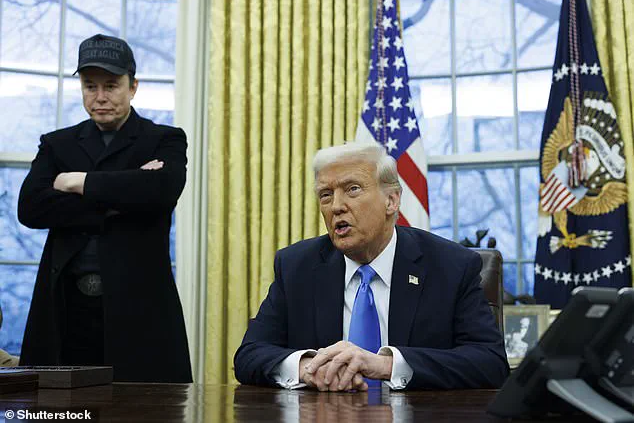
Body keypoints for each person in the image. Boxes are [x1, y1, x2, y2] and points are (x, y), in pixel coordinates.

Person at [234, 142, 509, 391]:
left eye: (352, 189)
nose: (336, 206)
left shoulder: (451, 266)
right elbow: (249, 355)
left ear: (392, 200)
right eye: (326, 195)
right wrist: (308, 367)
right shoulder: (297, 267)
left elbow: (490, 362)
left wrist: (386, 365)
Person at [17, 34, 192, 383]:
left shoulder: (164, 138)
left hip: (139, 307)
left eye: (111, 86)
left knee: (144, 405)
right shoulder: (57, 143)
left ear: (133, 87)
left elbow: (161, 190)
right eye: (90, 86)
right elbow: (31, 207)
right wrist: (120, 198)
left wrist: (77, 181)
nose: (100, 97)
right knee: (57, 404)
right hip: (66, 307)